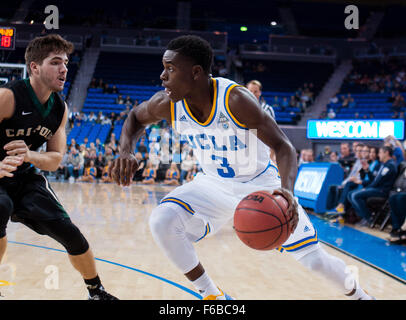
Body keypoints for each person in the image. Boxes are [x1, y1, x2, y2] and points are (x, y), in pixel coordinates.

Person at [108, 35, 374, 300]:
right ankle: (213, 295)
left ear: (196, 73)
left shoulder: (235, 100)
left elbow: (284, 147)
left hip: (260, 184)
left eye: (170, 69)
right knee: (162, 221)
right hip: (211, 184)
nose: (162, 76)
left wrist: (287, 192)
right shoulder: (167, 103)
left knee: (314, 261)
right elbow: (134, 118)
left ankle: (359, 294)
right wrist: (125, 150)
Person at [0, 34, 117, 299]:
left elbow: (54, 160)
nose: (64, 68)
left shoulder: (59, 109)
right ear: (35, 67)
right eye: (55, 62)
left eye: (65, 62)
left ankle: (96, 291)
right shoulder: (8, 97)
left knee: (71, 234)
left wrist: (29, 155)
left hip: (24, 176)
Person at [348, 146, 398, 227]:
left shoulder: (390, 165)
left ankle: (369, 218)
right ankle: (363, 217)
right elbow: (374, 179)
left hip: (382, 191)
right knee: (350, 194)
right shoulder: (384, 164)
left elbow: (378, 182)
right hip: (376, 188)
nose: (379, 155)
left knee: (355, 195)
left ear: (386, 153)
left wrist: (366, 188)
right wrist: (367, 170)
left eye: (380, 153)